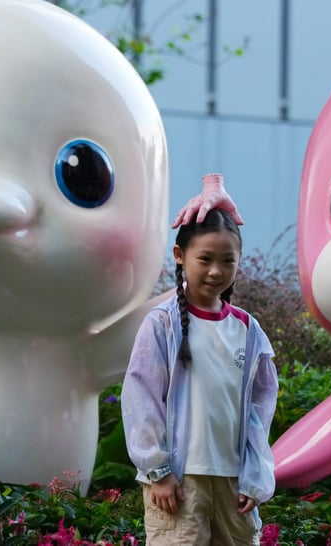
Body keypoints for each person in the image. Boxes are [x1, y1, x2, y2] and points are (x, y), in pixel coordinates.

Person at [121, 176, 277, 546]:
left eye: (227, 261)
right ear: (180, 256)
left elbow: (260, 409)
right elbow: (141, 397)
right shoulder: (162, 323)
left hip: (234, 483)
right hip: (177, 482)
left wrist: (256, 476)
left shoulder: (248, 331)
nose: (215, 271)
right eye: (204, 259)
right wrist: (157, 470)